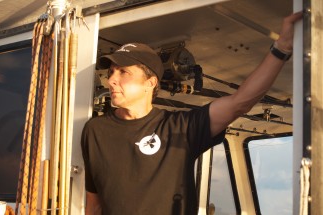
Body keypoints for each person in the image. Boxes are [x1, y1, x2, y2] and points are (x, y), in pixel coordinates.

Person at [81, 12, 303, 215]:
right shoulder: (94, 130)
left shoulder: (179, 127)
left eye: (123, 72)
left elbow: (240, 103)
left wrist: (281, 48)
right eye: (111, 72)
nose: (111, 79)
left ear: (150, 83)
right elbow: (94, 204)